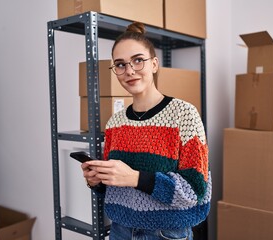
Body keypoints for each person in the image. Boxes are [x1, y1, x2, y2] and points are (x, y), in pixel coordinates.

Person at [81, 22, 211, 240]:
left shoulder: (184, 114)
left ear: (154, 64)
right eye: (120, 65)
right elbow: (116, 186)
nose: (129, 71)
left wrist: (135, 177)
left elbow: (194, 190)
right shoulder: (115, 123)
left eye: (138, 60)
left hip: (166, 233)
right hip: (119, 230)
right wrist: (97, 181)